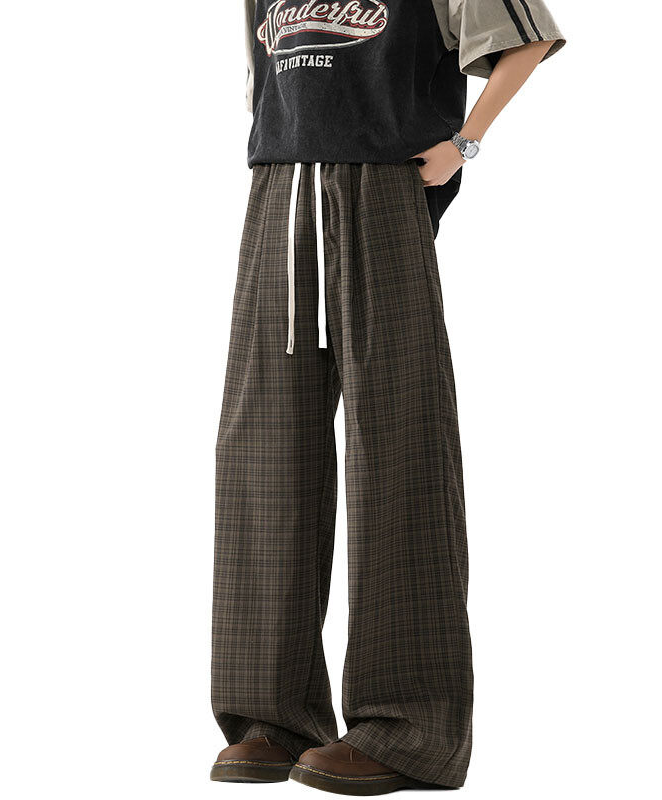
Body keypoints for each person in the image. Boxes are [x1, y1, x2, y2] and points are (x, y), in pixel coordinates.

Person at [211, 0, 565, 794]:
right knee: (261, 450)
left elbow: (530, 38)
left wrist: (464, 143)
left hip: (382, 185)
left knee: (398, 442)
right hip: (279, 190)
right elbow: (263, 81)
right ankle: (271, 716)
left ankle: (407, 725)